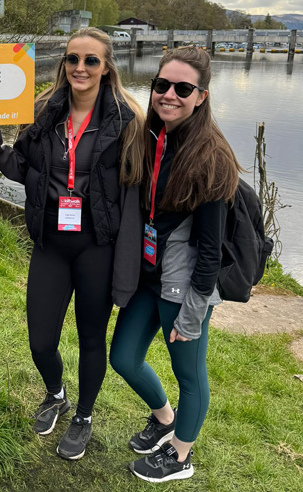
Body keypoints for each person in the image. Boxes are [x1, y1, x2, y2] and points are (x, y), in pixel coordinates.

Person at [0, 27, 145, 460]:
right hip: (51, 241)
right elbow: (21, 168)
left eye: (91, 60)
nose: (80, 67)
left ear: (107, 66)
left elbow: (138, 186)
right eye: (73, 59)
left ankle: (84, 417)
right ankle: (56, 393)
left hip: (97, 245)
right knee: (40, 341)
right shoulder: (42, 111)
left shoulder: (128, 119)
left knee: (92, 337)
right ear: (63, 64)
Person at [109, 47, 241, 482]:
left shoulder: (210, 157)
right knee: (124, 359)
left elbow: (210, 249)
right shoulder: (151, 136)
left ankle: (180, 456)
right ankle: (165, 420)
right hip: (148, 275)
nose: (168, 95)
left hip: (182, 287)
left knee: (190, 374)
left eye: (182, 88)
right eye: (161, 85)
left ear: (201, 96)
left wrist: (194, 309)